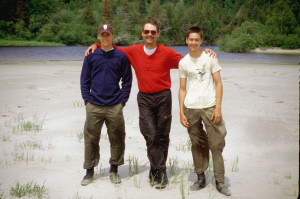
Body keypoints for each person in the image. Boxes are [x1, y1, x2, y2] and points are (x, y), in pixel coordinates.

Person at [85, 17, 216, 189]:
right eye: (146, 31)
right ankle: (159, 169)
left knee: (162, 135)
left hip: (163, 97)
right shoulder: (133, 51)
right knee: (150, 135)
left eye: (153, 32)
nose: (149, 34)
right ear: (142, 33)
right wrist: (96, 44)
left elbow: (189, 61)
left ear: (158, 34)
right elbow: (112, 48)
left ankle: (157, 171)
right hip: (145, 98)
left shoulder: (167, 52)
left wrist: (205, 52)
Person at [178, 26, 231, 196]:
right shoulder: (183, 62)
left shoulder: (210, 57)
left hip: (209, 106)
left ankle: (220, 181)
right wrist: (181, 111)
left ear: (201, 41)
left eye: (196, 39)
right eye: (190, 39)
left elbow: (218, 83)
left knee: (215, 144)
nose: (193, 42)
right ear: (186, 40)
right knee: (197, 143)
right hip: (191, 108)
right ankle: (200, 177)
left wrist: (218, 107)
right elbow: (182, 89)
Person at [80, 24, 132, 186]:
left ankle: (114, 169)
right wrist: (87, 101)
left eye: (108, 35)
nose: (105, 37)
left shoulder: (121, 56)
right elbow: (84, 80)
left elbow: (127, 81)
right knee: (91, 139)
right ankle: (89, 171)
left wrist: (122, 102)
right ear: (98, 37)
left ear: (112, 36)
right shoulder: (91, 55)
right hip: (94, 105)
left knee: (117, 138)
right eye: (102, 35)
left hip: (114, 105)